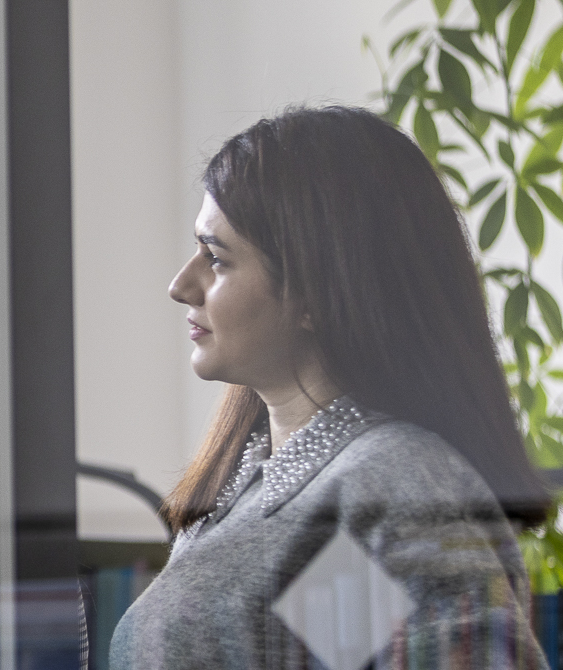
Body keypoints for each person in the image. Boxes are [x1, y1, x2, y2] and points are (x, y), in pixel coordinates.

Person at [110, 106, 551, 668]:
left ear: (317, 294)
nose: (181, 286)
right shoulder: (268, 489)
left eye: (216, 258)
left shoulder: (390, 483)